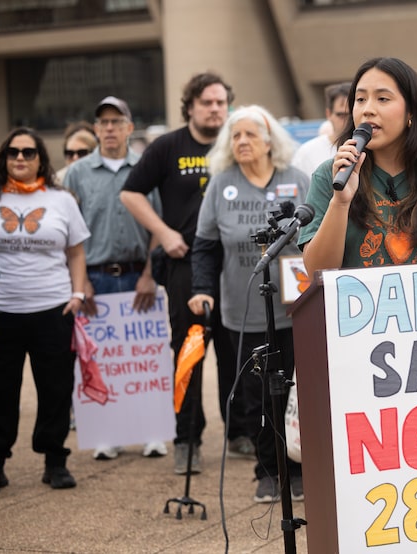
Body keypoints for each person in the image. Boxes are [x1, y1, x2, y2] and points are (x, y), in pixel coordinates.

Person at [120, 72, 248, 475]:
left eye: (221, 102)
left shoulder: (238, 143)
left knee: (236, 353)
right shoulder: (168, 146)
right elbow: (130, 192)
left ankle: (240, 431)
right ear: (190, 106)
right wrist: (163, 233)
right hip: (187, 265)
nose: (215, 109)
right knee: (190, 353)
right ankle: (187, 440)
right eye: (207, 102)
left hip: (236, 267)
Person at [188, 105, 308, 504]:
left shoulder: (299, 180)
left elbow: (320, 234)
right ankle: (268, 471)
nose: (241, 142)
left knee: (297, 392)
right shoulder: (221, 185)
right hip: (244, 312)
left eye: (249, 135)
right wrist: (201, 288)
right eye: (234, 136)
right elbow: (204, 246)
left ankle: (300, 467)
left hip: (297, 308)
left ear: (269, 141)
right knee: (259, 397)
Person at [299, 56, 417, 272]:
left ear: (411, 111)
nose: (368, 110)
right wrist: (340, 202)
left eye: (382, 99)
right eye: (360, 99)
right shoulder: (332, 174)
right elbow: (318, 273)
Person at [0, 128, 89, 494]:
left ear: (41, 158)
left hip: (52, 309)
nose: (20, 158)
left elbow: (75, 251)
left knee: (55, 389)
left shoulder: (61, 199)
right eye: (12, 152)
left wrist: (77, 294)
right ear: (4, 158)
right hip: (0, 311)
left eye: (28, 152)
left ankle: (55, 461)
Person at [62, 96, 165, 460]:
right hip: (96, 278)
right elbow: (69, 230)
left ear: (129, 127)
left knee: (144, 359)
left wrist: (151, 273)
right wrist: (80, 281)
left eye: (116, 121)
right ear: (95, 129)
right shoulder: (76, 173)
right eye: (102, 122)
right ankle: (107, 433)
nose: (109, 129)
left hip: (140, 275)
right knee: (100, 359)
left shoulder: (147, 167)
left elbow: (158, 223)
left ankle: (152, 431)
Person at [291, 82, 350, 177]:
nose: (347, 121)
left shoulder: (374, 149)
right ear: (328, 114)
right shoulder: (307, 152)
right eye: (341, 115)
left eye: (352, 115)